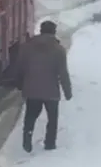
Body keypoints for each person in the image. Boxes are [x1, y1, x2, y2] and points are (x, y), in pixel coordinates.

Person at [15, 19, 72, 152]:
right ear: (54, 32)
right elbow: (63, 73)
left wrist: (19, 84)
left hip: (32, 88)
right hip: (51, 90)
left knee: (31, 115)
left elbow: (20, 68)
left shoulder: (27, 47)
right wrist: (67, 92)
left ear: (41, 31)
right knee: (52, 118)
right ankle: (50, 143)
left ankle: (27, 137)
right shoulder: (59, 50)